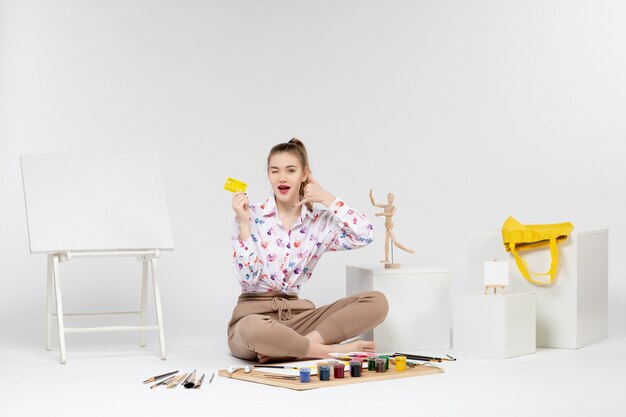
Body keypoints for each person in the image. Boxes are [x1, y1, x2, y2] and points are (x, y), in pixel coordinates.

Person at [228, 138, 389, 363]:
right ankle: (325, 351)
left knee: (377, 302)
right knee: (251, 329)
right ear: (268, 175)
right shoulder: (249, 215)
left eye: (290, 170)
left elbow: (365, 234)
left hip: (300, 318)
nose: (282, 178)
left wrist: (327, 197)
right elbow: (248, 278)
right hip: (254, 316)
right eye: (275, 171)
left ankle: (296, 346)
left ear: (305, 174)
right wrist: (244, 223)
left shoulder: (319, 222)